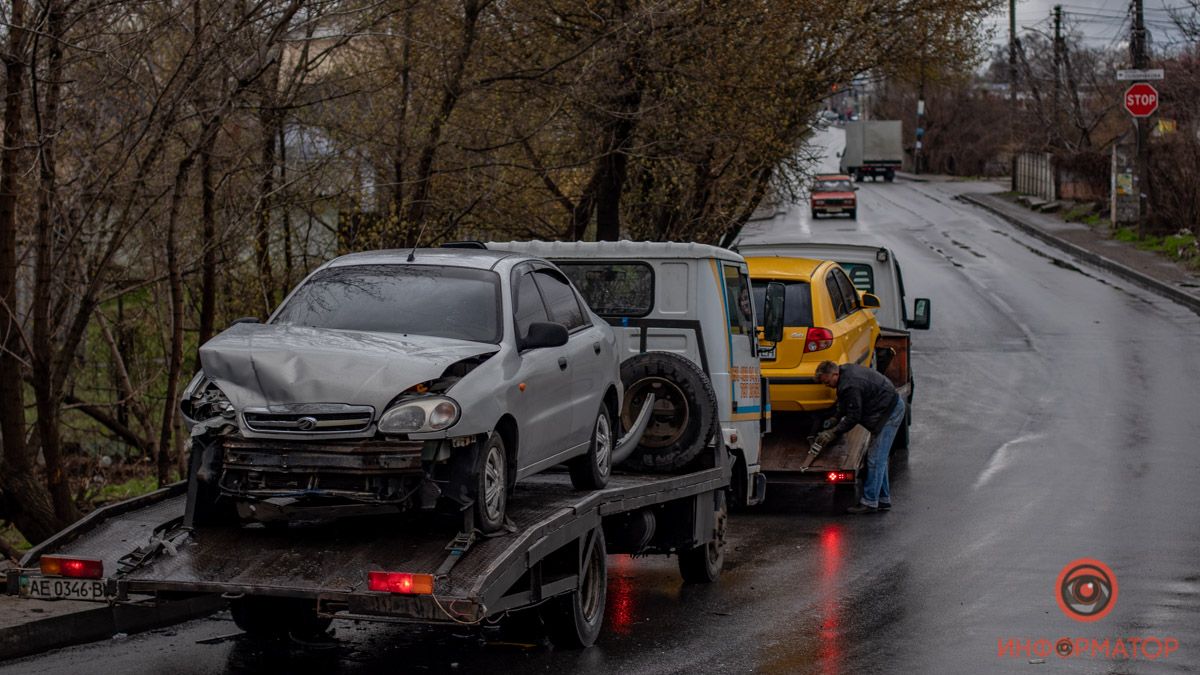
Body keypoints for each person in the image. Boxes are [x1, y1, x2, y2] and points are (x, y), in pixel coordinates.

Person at [813, 360, 906, 514]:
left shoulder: (850, 384)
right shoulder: (844, 376)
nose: (827, 385)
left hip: (889, 413)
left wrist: (833, 432)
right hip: (884, 408)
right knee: (878, 458)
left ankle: (870, 502)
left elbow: (853, 416)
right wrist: (836, 417)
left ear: (835, 374)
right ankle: (883, 499)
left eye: (827, 382)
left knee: (876, 459)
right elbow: (845, 402)